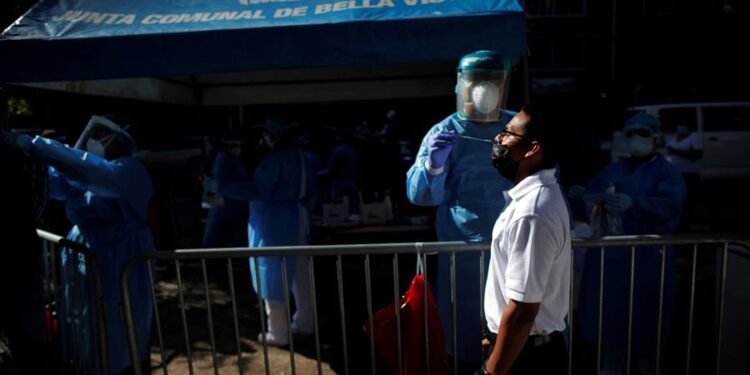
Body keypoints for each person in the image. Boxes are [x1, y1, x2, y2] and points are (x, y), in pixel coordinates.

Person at [1, 114, 155, 374]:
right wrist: (33, 158)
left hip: (118, 254)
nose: (94, 141)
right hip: (87, 253)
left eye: (102, 136)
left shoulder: (129, 169)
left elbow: (94, 174)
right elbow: (58, 185)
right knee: (84, 322)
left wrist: (37, 145)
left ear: (120, 140)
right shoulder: (87, 170)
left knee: (117, 324)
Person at [406, 50, 515, 366]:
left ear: (504, 83)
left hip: (513, 249)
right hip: (463, 253)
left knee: (511, 328)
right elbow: (421, 195)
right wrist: (434, 167)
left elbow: (546, 183)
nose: (484, 88)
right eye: (476, 80)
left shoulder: (516, 130)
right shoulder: (445, 132)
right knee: (464, 326)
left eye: (492, 80)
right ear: (461, 84)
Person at [568, 112, 686, 375]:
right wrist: (579, 195)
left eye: (642, 133)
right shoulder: (613, 170)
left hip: (649, 261)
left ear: (656, 138)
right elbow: (591, 197)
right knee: (612, 330)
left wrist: (637, 203)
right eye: (630, 133)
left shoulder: (667, 172)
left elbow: (671, 205)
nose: (635, 138)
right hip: (612, 263)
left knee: (648, 332)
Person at [203, 119, 319, 346]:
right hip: (298, 221)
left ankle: (278, 332)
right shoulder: (301, 158)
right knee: (300, 275)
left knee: (272, 275)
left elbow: (258, 191)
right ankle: (306, 322)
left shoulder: (274, 161)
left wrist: (220, 186)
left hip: (274, 225)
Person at [479, 105, 570, 375]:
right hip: (518, 348)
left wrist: (491, 371)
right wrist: (493, 334)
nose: (498, 139)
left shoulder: (532, 213)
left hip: (526, 357)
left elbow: (522, 311)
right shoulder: (533, 200)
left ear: (532, 150)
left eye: (508, 133)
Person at [0, 89, 54, 374]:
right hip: (21, 257)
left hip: (20, 261)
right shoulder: (24, 153)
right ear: (6, 115)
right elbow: (38, 205)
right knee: (31, 349)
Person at [201, 129, 250, 248]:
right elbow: (217, 185)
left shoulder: (233, 159)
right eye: (235, 145)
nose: (239, 148)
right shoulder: (222, 159)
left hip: (230, 207)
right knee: (214, 240)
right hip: (223, 207)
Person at [664, 122, 702, 231]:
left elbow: (697, 155)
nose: (681, 127)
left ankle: (686, 226)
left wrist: (676, 151)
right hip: (674, 174)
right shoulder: (673, 137)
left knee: (687, 201)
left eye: (684, 125)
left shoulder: (694, 138)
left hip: (689, 174)